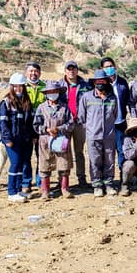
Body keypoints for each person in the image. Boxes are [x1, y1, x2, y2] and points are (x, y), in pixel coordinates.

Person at [79, 69, 119, 197]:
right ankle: (97, 185)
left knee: (109, 160)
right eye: (98, 81)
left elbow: (115, 114)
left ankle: (108, 184)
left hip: (109, 135)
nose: (100, 83)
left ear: (107, 82)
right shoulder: (87, 97)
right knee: (95, 161)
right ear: (94, 83)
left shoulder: (112, 98)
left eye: (103, 81)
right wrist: (91, 129)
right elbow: (82, 117)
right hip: (93, 135)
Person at [33, 81, 74, 200]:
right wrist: (46, 129)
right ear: (46, 94)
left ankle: (64, 189)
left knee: (64, 164)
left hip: (61, 139)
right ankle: (45, 191)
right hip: (45, 141)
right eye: (50, 92)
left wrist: (59, 129)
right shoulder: (41, 108)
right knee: (45, 165)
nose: (52, 94)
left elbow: (70, 123)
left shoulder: (65, 107)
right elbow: (36, 124)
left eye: (55, 92)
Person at [0, 72, 35, 203]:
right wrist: (7, 139)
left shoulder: (26, 101)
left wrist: (33, 136)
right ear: (11, 87)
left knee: (22, 163)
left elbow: (30, 121)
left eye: (20, 86)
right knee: (15, 163)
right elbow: (3, 123)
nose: (18, 89)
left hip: (25, 139)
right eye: (15, 86)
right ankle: (11, 192)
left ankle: (19, 190)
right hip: (12, 141)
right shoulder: (6, 102)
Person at [60, 60, 90, 188]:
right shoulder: (59, 85)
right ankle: (62, 180)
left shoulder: (86, 85)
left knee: (79, 152)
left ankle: (81, 178)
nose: (71, 71)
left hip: (80, 123)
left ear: (77, 70)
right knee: (63, 151)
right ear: (65, 71)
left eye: (73, 69)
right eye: (68, 69)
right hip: (65, 123)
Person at [101, 56, 131, 170]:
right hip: (106, 125)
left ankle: (123, 176)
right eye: (106, 67)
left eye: (110, 66)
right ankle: (108, 178)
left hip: (120, 122)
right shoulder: (101, 84)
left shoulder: (122, 82)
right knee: (107, 152)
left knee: (122, 150)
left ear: (115, 66)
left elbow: (128, 100)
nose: (109, 68)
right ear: (102, 69)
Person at [23, 62, 46, 191]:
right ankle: (26, 183)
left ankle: (40, 181)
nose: (33, 73)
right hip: (25, 128)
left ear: (40, 73)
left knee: (41, 156)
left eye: (36, 71)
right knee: (26, 156)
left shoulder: (45, 87)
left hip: (41, 127)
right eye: (31, 71)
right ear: (26, 73)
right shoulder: (22, 87)